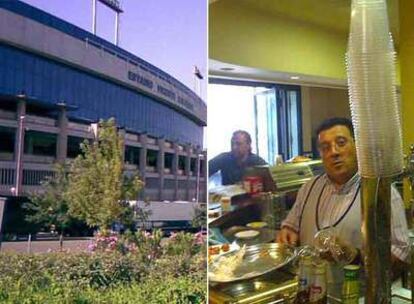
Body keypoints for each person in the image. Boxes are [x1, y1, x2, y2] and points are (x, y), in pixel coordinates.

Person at [276, 117, 409, 294]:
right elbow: (291, 226)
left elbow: (402, 255)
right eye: (325, 147)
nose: (334, 152)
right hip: (309, 293)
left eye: (341, 143)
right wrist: (288, 232)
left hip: (356, 296)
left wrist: (356, 256)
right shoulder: (309, 188)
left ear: (357, 146)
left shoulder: (382, 193)